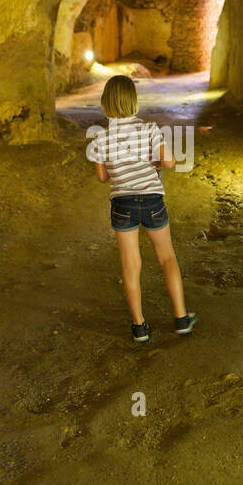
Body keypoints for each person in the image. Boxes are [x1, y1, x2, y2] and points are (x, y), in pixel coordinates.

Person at [86, 74, 196, 343]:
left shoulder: (101, 138)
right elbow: (168, 162)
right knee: (167, 257)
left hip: (122, 204)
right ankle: (181, 318)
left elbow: (103, 178)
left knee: (130, 265)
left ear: (105, 104)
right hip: (152, 201)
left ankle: (139, 327)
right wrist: (154, 163)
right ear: (134, 101)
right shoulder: (149, 129)